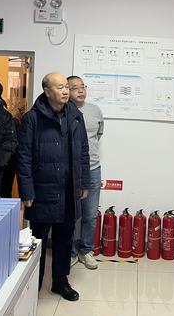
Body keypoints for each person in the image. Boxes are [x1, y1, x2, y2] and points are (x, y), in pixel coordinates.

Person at [17, 72, 89, 302]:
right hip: (42, 190)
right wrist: (27, 190)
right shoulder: (32, 118)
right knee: (38, 241)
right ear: (47, 92)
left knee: (64, 239)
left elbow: (84, 152)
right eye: (60, 87)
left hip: (69, 190)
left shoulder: (75, 116)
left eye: (66, 86)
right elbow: (24, 156)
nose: (66, 91)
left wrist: (83, 182)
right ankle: (33, 284)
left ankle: (60, 282)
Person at [68, 75, 103, 270]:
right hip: (70, 171)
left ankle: (86, 250)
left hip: (92, 169)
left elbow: (98, 134)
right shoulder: (64, 110)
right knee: (71, 215)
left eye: (83, 86)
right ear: (66, 90)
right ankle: (70, 251)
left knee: (90, 214)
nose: (81, 90)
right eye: (75, 88)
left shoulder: (95, 110)